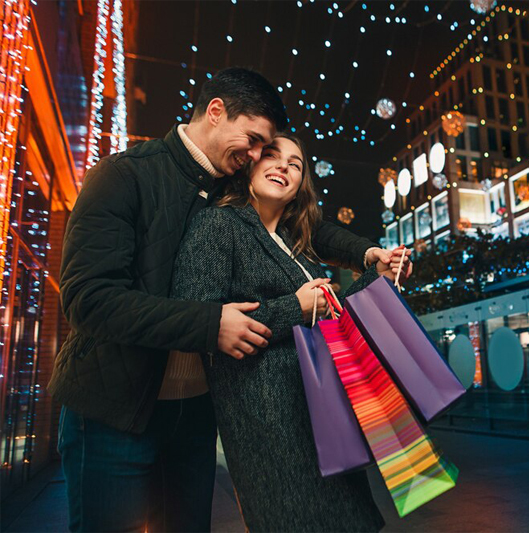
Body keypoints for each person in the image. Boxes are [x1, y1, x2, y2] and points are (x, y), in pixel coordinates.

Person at [49, 67, 396, 532]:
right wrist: (210, 324)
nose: (257, 156)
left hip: (193, 412)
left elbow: (304, 223)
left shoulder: (229, 185)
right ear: (216, 112)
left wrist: (365, 252)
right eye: (254, 141)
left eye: (268, 151)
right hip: (115, 405)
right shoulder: (123, 175)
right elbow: (88, 300)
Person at [170, 134, 411, 532]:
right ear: (248, 165)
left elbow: (329, 318)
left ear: (300, 187)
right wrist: (293, 308)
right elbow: (198, 320)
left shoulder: (294, 245)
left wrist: (377, 277)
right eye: (271, 155)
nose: (283, 166)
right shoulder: (218, 224)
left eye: (295, 164)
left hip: (325, 411)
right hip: (271, 428)